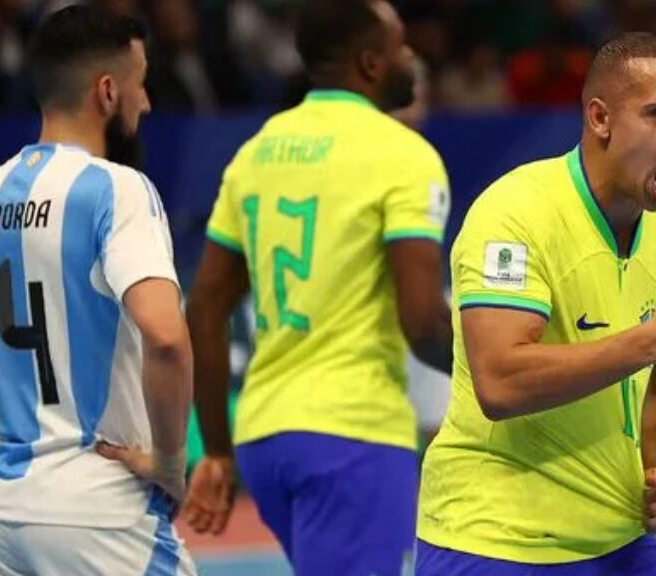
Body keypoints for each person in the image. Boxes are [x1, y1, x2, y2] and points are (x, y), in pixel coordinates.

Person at [416, 32, 656, 575]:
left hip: (616, 540)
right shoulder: (515, 215)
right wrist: (651, 341)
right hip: (494, 541)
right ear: (601, 118)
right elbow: (501, 382)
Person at [0, 5, 196, 575]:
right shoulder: (118, 191)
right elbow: (166, 338)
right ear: (107, 92)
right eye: (140, 84)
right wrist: (170, 463)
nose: (146, 103)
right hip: (98, 509)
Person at [182, 1, 453, 574]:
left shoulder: (256, 152)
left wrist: (217, 449)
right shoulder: (404, 155)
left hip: (264, 438)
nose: (411, 57)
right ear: (371, 62)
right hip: (353, 434)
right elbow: (423, 323)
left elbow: (203, 309)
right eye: (401, 46)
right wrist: (498, 370)